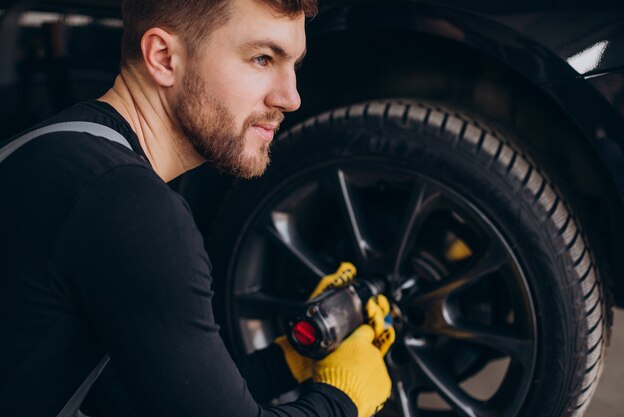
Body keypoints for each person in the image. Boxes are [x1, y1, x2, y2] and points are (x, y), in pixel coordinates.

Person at [0, 1, 395, 416]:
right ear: (164, 58)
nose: (291, 97)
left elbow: (124, 399)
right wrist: (344, 398)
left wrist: (287, 360)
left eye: (293, 64)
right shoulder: (129, 206)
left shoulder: (59, 150)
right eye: (262, 58)